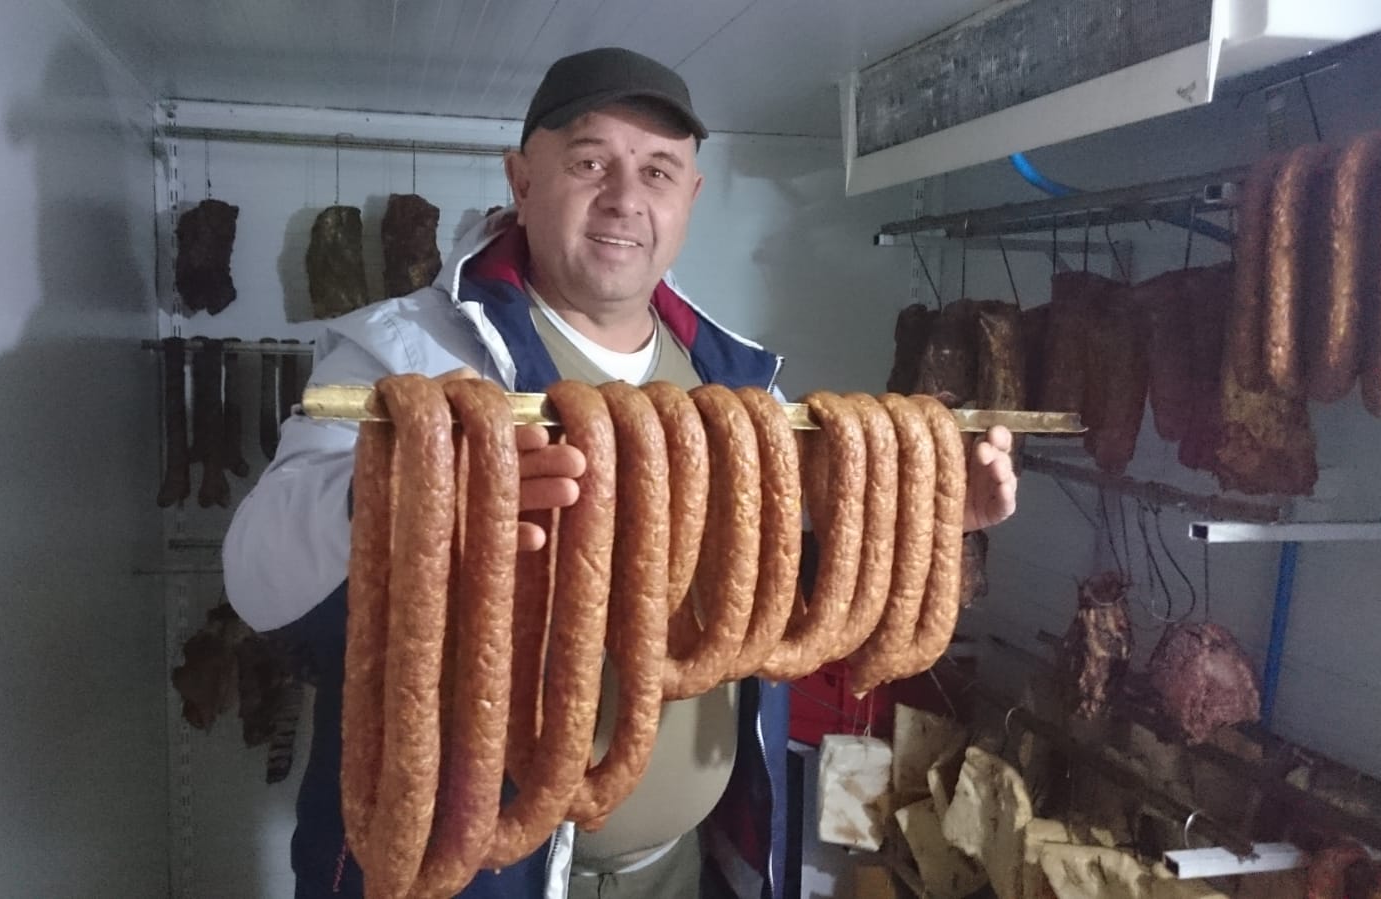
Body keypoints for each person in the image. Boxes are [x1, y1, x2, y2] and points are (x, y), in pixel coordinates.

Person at [222, 46, 1019, 899]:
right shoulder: (405, 353)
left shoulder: (738, 385)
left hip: (677, 869)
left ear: (690, 198)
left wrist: (921, 520)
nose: (624, 198)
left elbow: (774, 590)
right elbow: (255, 577)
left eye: (657, 171)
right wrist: (397, 502)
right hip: (470, 876)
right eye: (589, 162)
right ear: (522, 179)